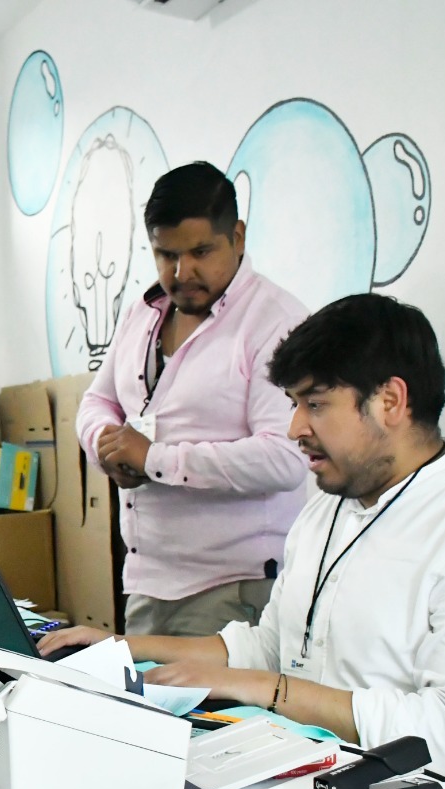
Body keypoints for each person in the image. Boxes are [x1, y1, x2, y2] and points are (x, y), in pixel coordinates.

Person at [42, 294, 445, 789]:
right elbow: (273, 646)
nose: (294, 427)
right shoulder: (329, 506)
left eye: (315, 405)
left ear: (391, 400)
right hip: (332, 784)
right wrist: (123, 649)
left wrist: (268, 690)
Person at [77, 161, 310, 636]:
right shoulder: (143, 314)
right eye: (165, 255)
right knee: (142, 710)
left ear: (238, 237)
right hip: (147, 581)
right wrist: (104, 443)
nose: (182, 272)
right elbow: (96, 402)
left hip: (234, 589)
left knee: (212, 714)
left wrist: (156, 459)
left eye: (201, 251)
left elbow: (285, 458)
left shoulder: (274, 321)